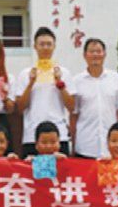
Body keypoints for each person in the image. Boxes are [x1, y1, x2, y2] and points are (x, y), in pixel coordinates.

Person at [15, 27, 75, 158]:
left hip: (58, 136)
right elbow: (19, 108)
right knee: (32, 171)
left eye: (49, 44)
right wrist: (31, 83)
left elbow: (72, 106)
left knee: (60, 171)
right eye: (42, 44)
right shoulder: (25, 74)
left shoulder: (64, 73)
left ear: (54, 46)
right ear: (35, 47)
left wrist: (60, 83)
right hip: (32, 136)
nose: (45, 48)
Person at [70, 38, 118, 158]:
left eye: (98, 51)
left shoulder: (116, 78)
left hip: (113, 148)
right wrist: (73, 143)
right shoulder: (76, 81)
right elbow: (73, 115)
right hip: (85, 146)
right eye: (91, 51)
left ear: (104, 54)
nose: (95, 55)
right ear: (84, 55)